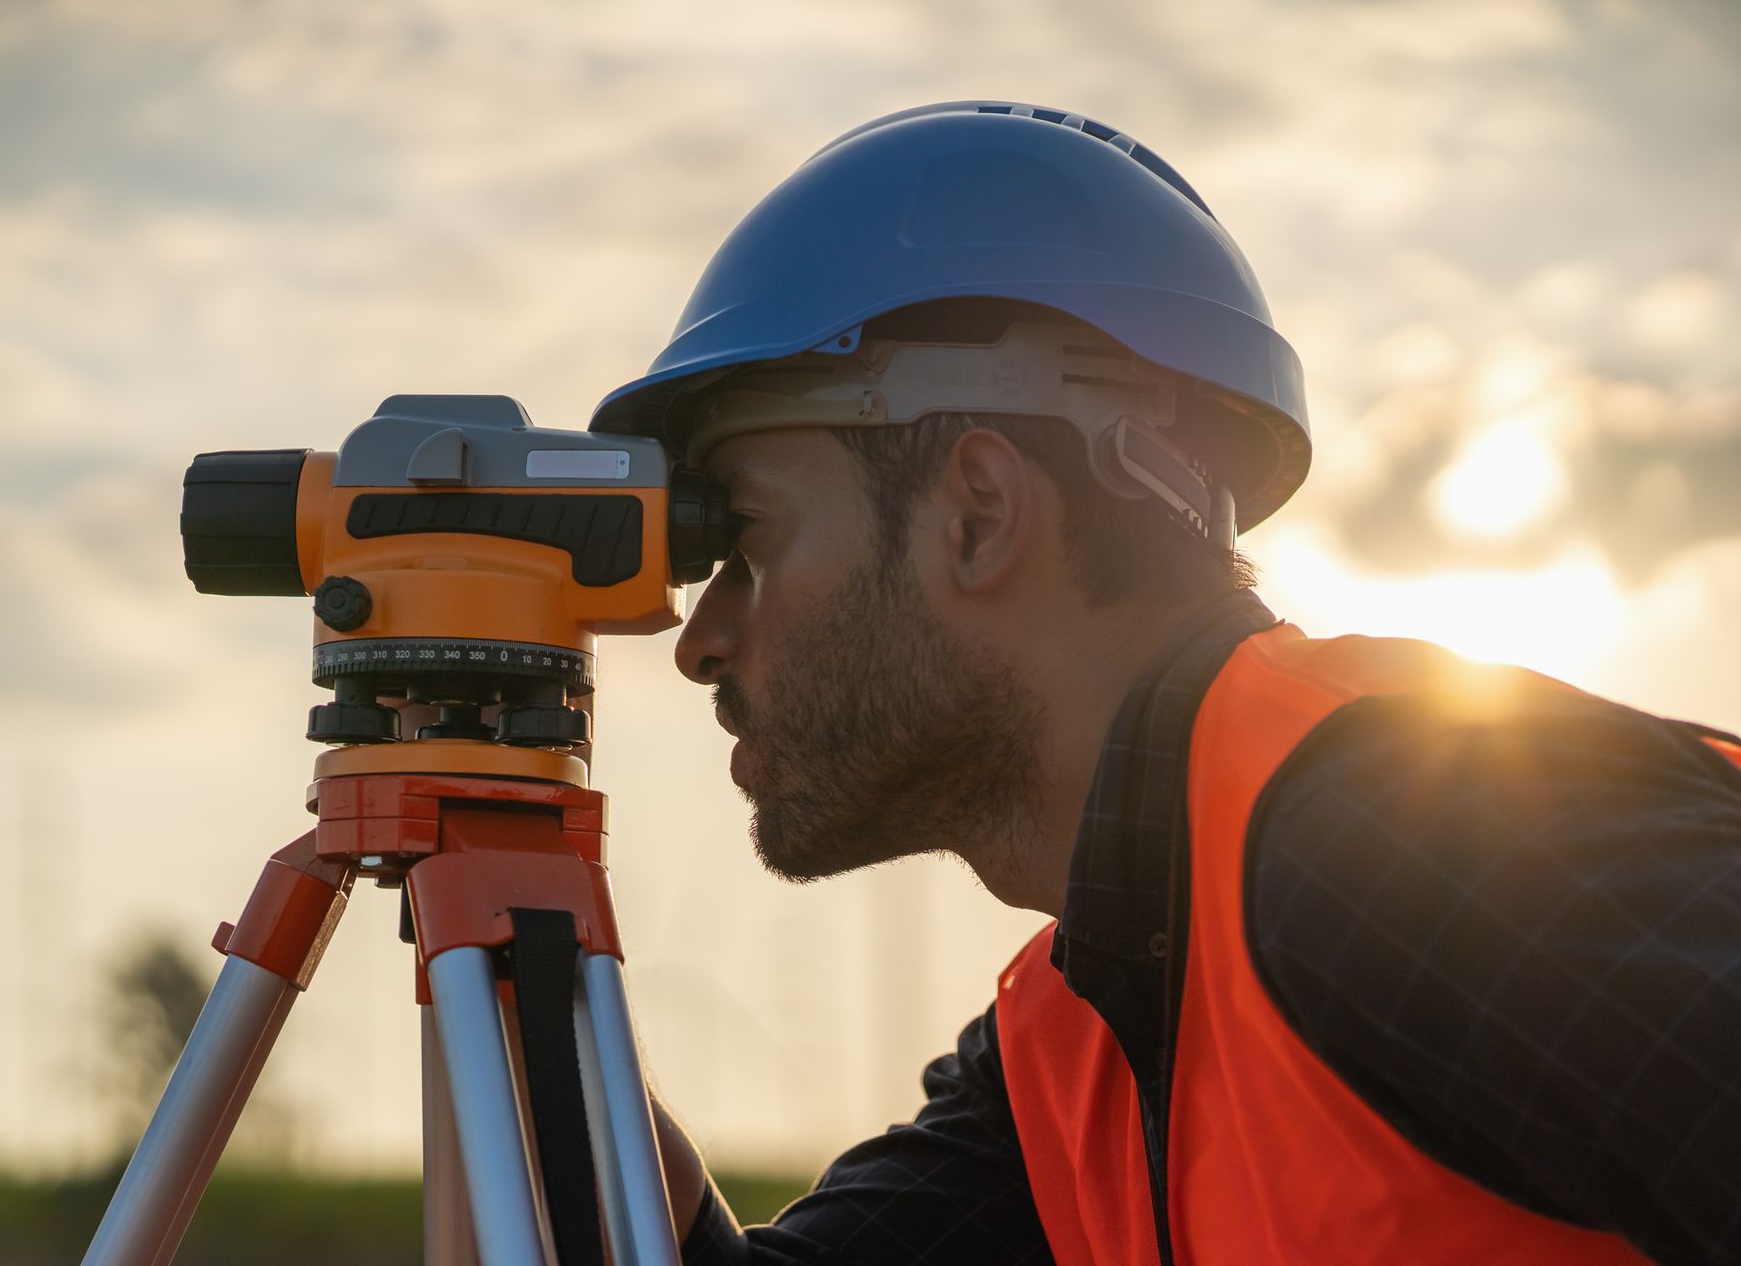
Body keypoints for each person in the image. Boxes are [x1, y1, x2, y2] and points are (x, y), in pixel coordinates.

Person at [588, 103, 1741, 1265]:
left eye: (743, 536)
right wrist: (498, 859)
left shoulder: (1412, 831)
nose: (702, 637)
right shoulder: (1083, 1030)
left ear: (978, 515)